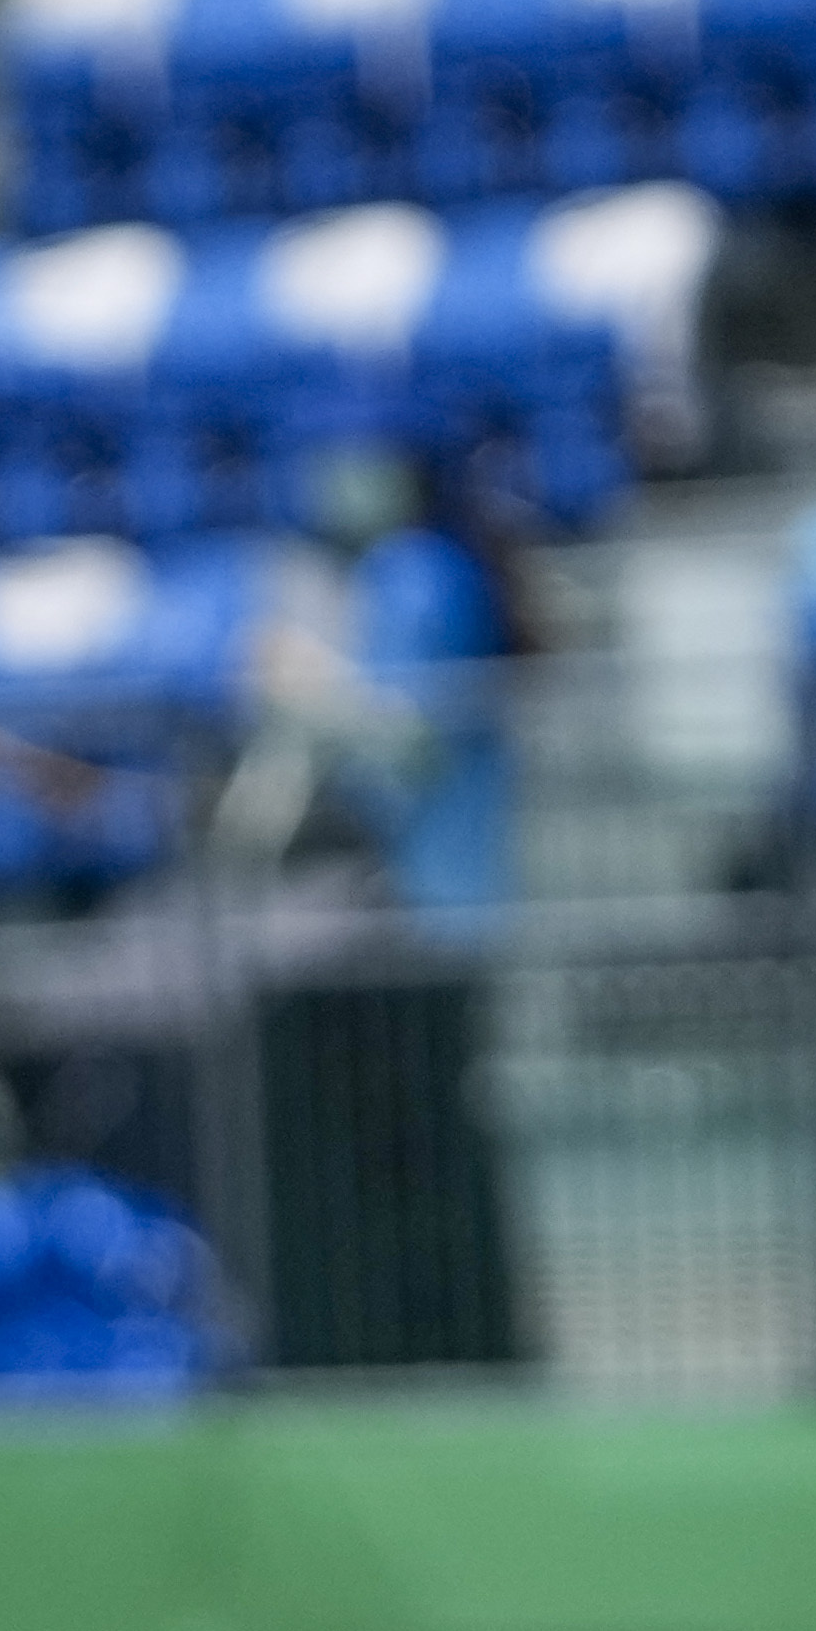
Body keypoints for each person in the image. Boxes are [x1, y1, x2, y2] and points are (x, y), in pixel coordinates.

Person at [239, 433, 536, 1375]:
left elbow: (407, 743)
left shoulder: (415, 576)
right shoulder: (403, 571)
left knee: (434, 1148)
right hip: (422, 907)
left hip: (425, 909)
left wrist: (311, 691)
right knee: (431, 1143)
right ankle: (460, 1346)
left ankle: (467, 1348)